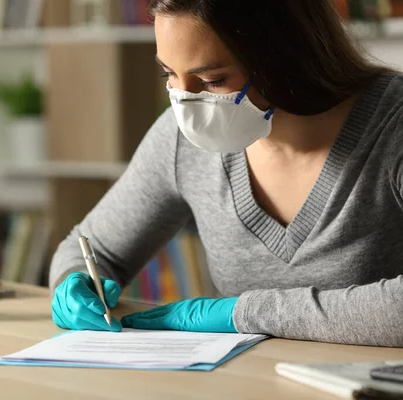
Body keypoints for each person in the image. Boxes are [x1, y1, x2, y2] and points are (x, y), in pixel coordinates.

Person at [48, 0, 403, 348]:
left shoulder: (395, 126)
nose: (184, 101)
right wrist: (76, 281)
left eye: (211, 79)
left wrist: (245, 313)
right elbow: (95, 249)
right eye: (169, 74)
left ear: (284, 57)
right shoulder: (178, 138)